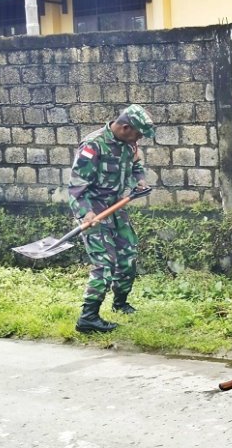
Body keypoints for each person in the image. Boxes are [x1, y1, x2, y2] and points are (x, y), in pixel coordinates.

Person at [69, 104, 155, 334]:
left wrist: (140, 181)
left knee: (128, 256)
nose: (139, 138)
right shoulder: (93, 146)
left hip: (116, 207)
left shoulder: (129, 144)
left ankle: (120, 303)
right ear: (126, 127)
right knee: (105, 262)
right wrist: (86, 213)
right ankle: (88, 317)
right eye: (138, 134)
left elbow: (136, 164)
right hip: (93, 210)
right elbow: (76, 187)